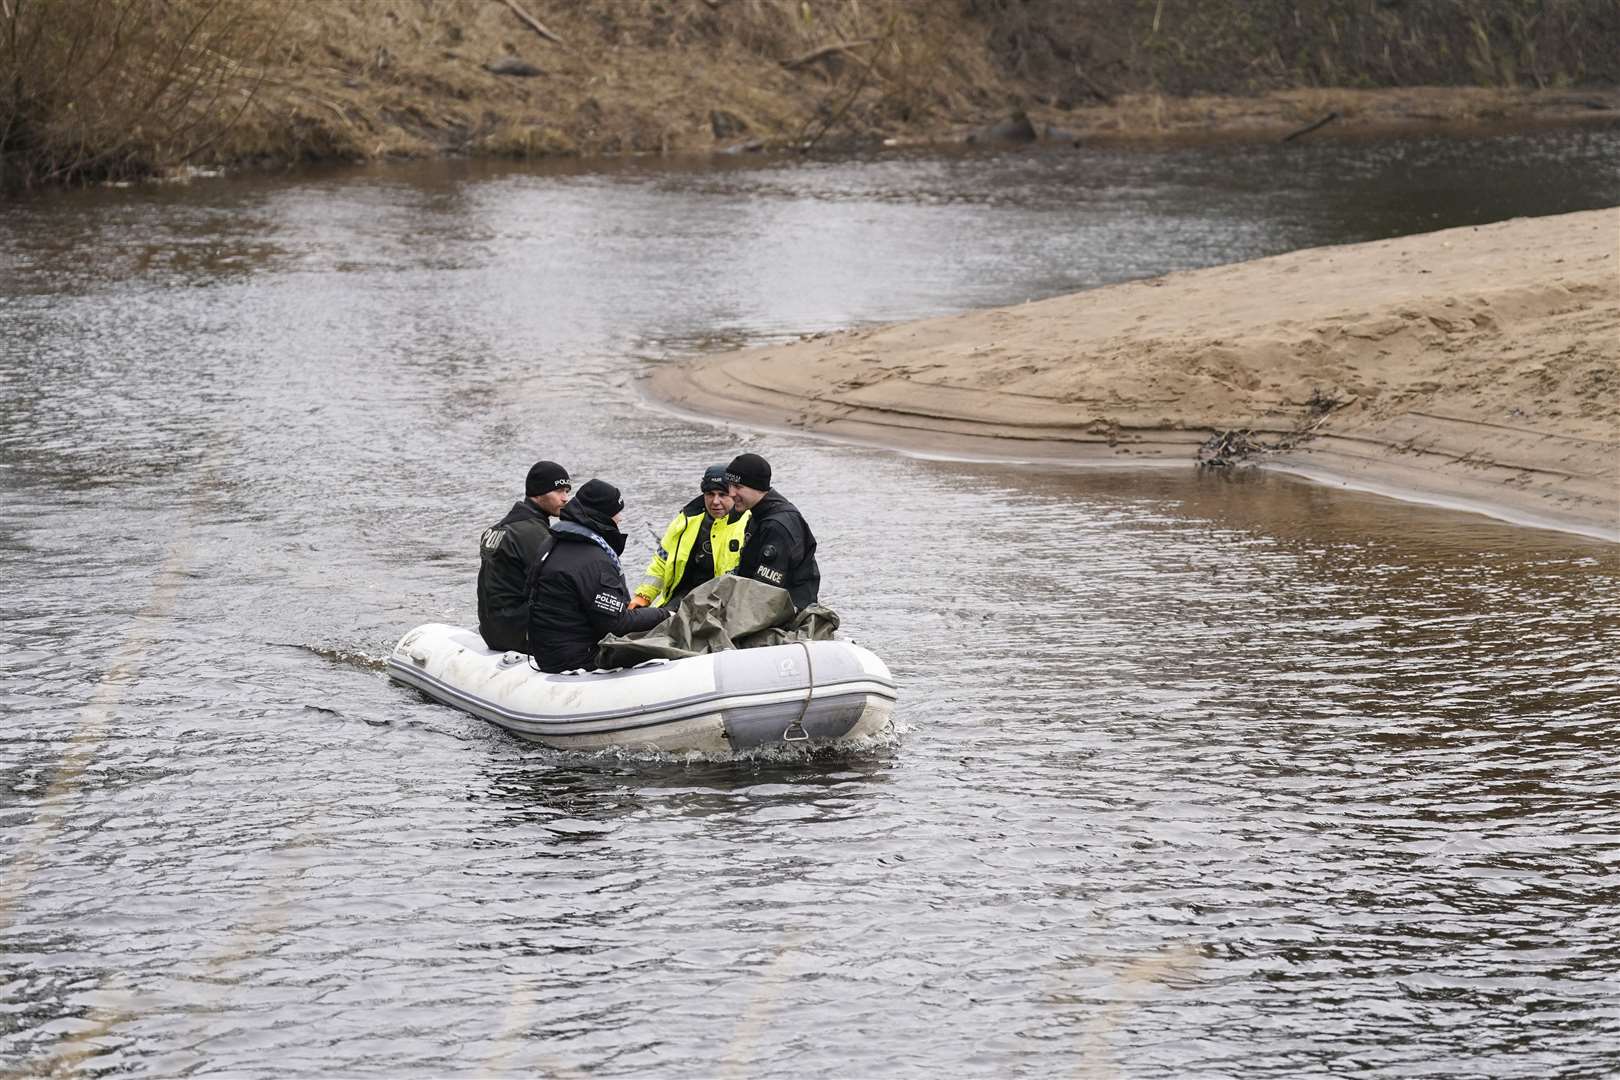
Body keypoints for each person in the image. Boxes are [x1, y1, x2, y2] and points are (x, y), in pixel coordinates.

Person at [528, 479, 671, 672]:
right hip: (577, 658)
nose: (620, 519)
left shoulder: (552, 542)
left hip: (547, 652)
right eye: (616, 513)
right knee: (670, 649)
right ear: (603, 516)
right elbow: (617, 624)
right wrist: (665, 615)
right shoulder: (595, 560)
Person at [628, 464, 751, 611]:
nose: (715, 501)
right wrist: (643, 596)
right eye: (710, 494)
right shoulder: (685, 521)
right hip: (683, 600)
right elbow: (661, 562)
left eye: (722, 495)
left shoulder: (749, 525)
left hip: (725, 607)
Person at [477, 459, 570, 652]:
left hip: (492, 630)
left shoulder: (500, 528)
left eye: (567, 491)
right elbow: (558, 585)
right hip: (518, 634)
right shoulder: (531, 534)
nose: (565, 498)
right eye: (559, 491)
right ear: (538, 493)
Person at [725, 452, 820, 610]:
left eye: (738, 487)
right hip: (767, 610)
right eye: (730, 485)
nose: (731, 493)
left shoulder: (777, 526)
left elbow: (765, 593)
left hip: (787, 620)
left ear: (757, 487)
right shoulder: (758, 515)